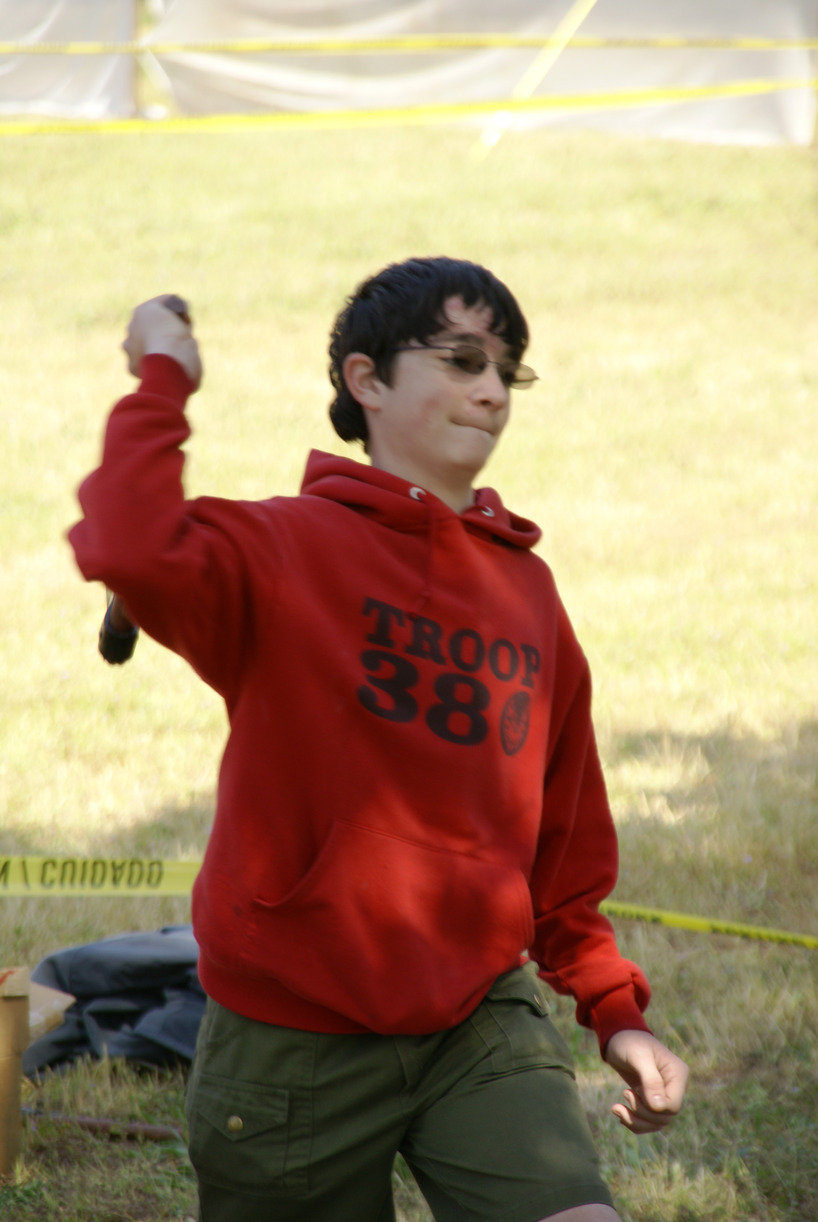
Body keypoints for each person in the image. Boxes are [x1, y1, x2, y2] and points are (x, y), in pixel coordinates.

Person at [69, 256, 688, 1222]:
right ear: (367, 379)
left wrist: (616, 1014)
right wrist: (164, 374)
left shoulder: (528, 593)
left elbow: (564, 850)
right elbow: (127, 545)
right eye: (462, 360)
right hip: (289, 1043)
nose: (493, 391)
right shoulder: (283, 549)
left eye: (507, 371)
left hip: (477, 1016)